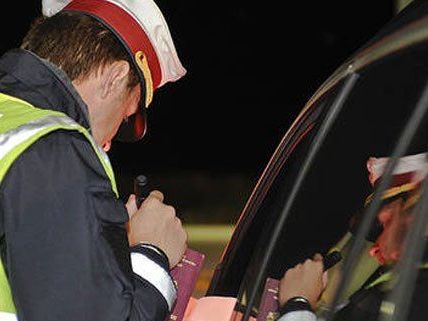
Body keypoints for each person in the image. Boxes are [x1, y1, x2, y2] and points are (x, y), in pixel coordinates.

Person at [0, 0, 188, 320]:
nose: (109, 141)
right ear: (115, 78)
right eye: (127, 115)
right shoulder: (53, 148)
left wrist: (101, 239)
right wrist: (151, 253)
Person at [277, 153, 428, 321]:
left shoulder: (417, 298)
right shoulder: (405, 290)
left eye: (385, 224)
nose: (372, 252)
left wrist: (297, 302)